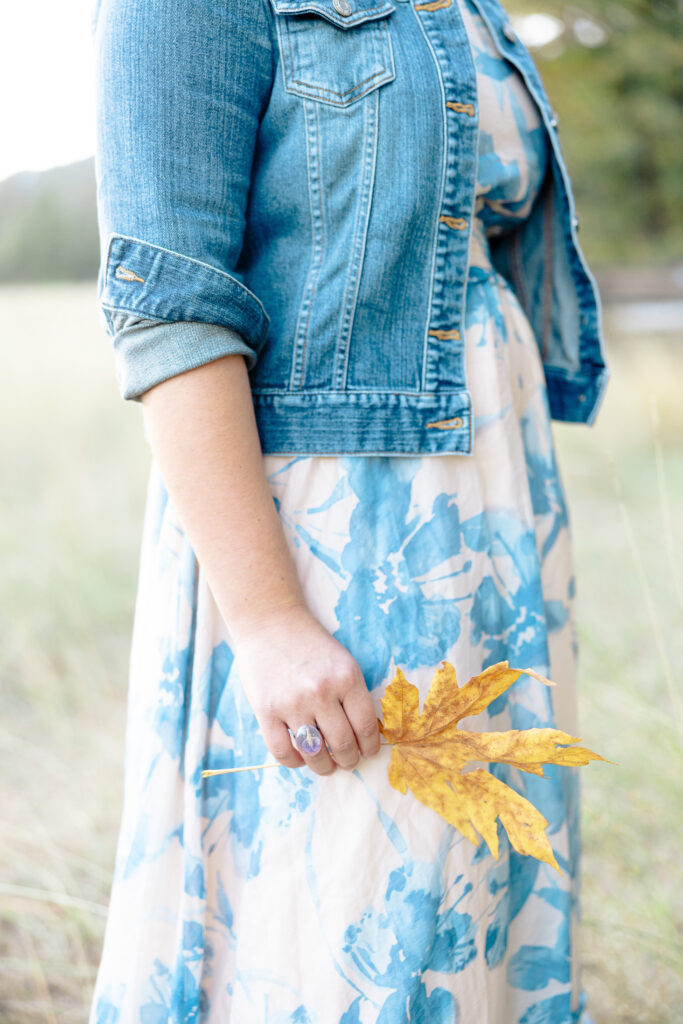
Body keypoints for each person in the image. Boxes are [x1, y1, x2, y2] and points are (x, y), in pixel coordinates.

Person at [89, 0, 610, 1020]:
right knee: (346, 909)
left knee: (476, 890)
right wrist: (270, 620)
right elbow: (169, 306)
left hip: (488, 507)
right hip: (332, 530)